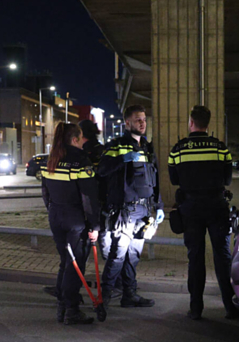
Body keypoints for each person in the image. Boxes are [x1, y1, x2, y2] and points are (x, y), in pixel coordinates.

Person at [168, 106, 239, 320]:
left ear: (191, 122)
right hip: (217, 207)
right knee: (223, 256)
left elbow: (174, 180)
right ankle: (231, 306)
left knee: (195, 257)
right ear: (207, 123)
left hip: (190, 209)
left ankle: (196, 308)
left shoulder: (178, 149)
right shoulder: (220, 148)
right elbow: (228, 180)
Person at [97, 105, 162, 308]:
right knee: (118, 255)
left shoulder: (148, 147)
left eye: (143, 119)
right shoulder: (116, 145)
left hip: (144, 211)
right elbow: (102, 170)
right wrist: (122, 159)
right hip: (124, 211)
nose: (142, 123)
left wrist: (159, 206)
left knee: (133, 256)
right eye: (137, 120)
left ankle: (129, 295)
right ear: (127, 122)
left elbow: (156, 178)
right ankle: (104, 297)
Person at [42, 122, 101, 325]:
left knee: (65, 260)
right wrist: (95, 225)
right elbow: (89, 197)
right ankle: (71, 310)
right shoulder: (80, 161)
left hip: (55, 215)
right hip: (74, 218)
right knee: (76, 265)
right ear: (75, 139)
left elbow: (45, 193)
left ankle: (62, 301)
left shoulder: (51, 160)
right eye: (81, 138)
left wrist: (52, 211)